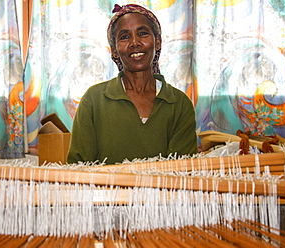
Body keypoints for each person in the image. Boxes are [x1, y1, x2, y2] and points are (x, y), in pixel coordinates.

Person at [67, 4, 198, 165]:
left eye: (142, 34)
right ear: (114, 51)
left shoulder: (179, 103)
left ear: (157, 43)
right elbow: (78, 168)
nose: (135, 42)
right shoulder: (93, 100)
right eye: (124, 37)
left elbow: (184, 172)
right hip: (104, 191)